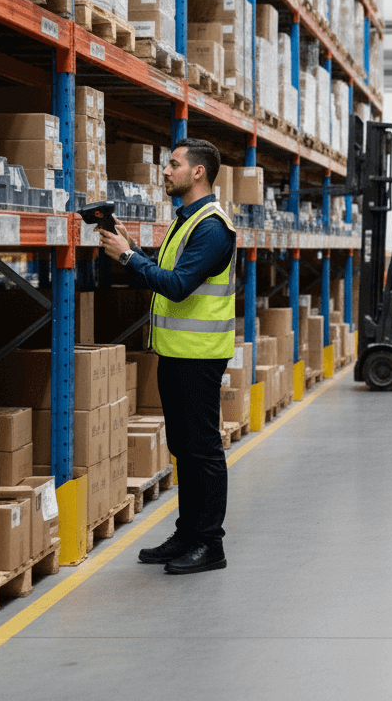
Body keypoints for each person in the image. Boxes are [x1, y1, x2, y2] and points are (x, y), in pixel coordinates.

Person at [100, 138, 237, 573]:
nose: (165, 171)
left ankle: (209, 544)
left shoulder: (213, 227)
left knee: (202, 449)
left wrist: (127, 260)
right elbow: (169, 272)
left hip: (199, 355)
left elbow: (177, 285)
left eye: (173, 164)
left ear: (198, 172)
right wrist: (134, 250)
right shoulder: (188, 220)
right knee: (183, 447)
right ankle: (188, 533)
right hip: (177, 352)